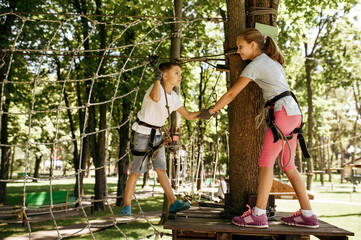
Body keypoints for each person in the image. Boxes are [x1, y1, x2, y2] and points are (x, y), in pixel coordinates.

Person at [199, 28, 318, 229]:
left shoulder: (256, 64)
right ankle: (307, 215)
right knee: (288, 166)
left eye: (241, 46)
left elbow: (231, 94)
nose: (238, 51)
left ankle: (259, 214)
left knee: (265, 161)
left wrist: (211, 111)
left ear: (253, 45)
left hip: (282, 113)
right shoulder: (272, 62)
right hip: (294, 113)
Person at [119, 62, 214, 216]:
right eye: (176, 73)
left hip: (157, 135)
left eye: (180, 73)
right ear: (165, 75)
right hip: (142, 133)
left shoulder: (174, 97)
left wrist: (205, 113)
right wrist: (157, 79)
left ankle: (173, 202)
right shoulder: (155, 88)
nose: (180, 76)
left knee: (161, 170)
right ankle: (127, 204)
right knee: (136, 171)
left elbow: (188, 115)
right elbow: (156, 98)